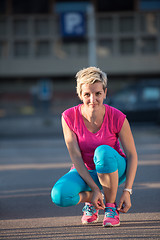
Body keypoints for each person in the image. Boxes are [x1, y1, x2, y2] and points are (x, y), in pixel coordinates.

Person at [51, 67, 138, 227]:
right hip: (85, 171)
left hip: (114, 169)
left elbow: (132, 154)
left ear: (105, 93)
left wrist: (127, 191)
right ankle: (93, 198)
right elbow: (76, 157)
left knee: (103, 151)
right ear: (80, 95)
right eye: (87, 94)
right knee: (60, 196)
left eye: (98, 93)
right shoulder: (69, 117)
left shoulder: (118, 117)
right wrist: (94, 189)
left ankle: (111, 207)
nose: (93, 99)